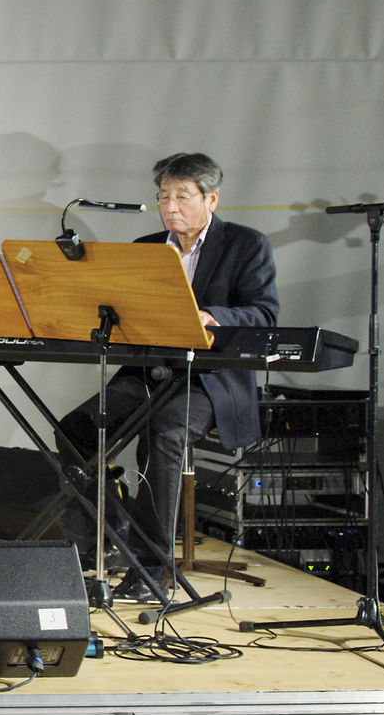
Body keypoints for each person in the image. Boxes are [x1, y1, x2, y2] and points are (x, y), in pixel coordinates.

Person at [60, 153, 278, 598]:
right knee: (74, 431)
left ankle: (151, 567)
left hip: (208, 380)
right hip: (146, 372)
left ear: (210, 198)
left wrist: (211, 316)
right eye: (163, 197)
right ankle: (115, 534)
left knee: (163, 432)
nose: (171, 207)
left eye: (182, 197)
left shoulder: (246, 244)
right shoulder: (146, 248)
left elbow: (264, 314)